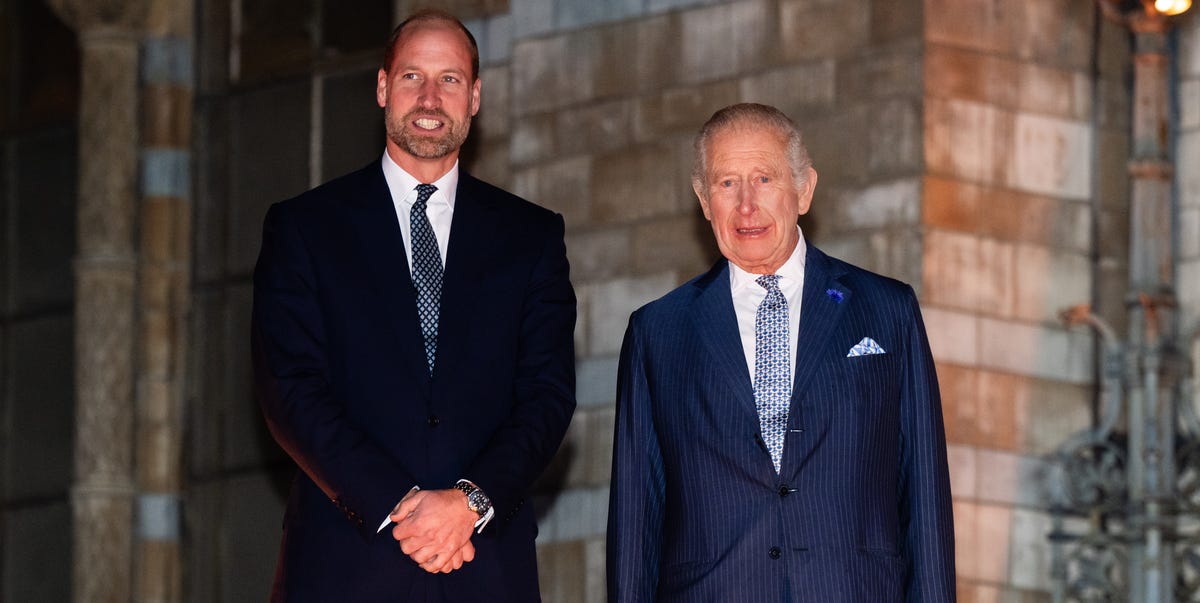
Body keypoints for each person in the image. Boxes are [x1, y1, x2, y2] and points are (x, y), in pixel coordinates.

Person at [251, 9, 576, 602]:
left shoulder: (531, 237)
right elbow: (290, 389)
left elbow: (547, 397)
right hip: (344, 566)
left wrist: (468, 504)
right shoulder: (305, 228)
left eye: (450, 79)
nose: (430, 96)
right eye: (411, 77)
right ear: (382, 87)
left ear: (475, 97)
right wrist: (401, 506)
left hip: (485, 566)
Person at [606, 103, 955, 602]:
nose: (746, 205)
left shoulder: (886, 311)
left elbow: (924, 494)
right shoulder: (658, 332)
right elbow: (635, 520)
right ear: (703, 200)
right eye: (727, 184)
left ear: (805, 189)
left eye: (764, 179)